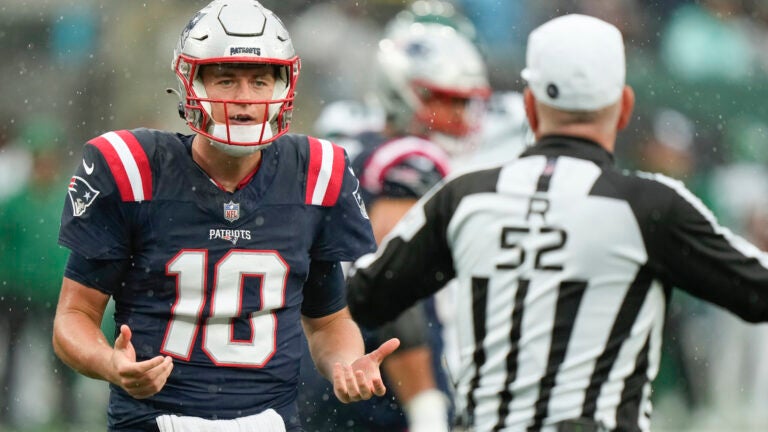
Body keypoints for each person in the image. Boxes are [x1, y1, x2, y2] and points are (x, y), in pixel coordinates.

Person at [346, 13, 768, 432]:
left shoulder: (462, 198)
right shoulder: (649, 207)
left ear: (530, 106)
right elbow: (756, 291)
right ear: (624, 108)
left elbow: (363, 297)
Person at [51, 1, 399, 431]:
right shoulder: (133, 170)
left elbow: (327, 321)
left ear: (283, 86)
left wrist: (346, 363)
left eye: (259, 81)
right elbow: (74, 317)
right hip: (156, 421)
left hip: (270, 422)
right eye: (227, 80)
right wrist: (109, 363)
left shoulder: (314, 173)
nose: (244, 100)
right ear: (190, 82)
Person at [299, 8, 491, 432]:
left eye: (464, 101)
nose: (460, 116)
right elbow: (393, 283)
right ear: (402, 92)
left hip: (326, 371)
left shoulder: (349, 141)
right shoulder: (410, 159)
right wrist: (426, 407)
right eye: (445, 99)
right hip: (383, 388)